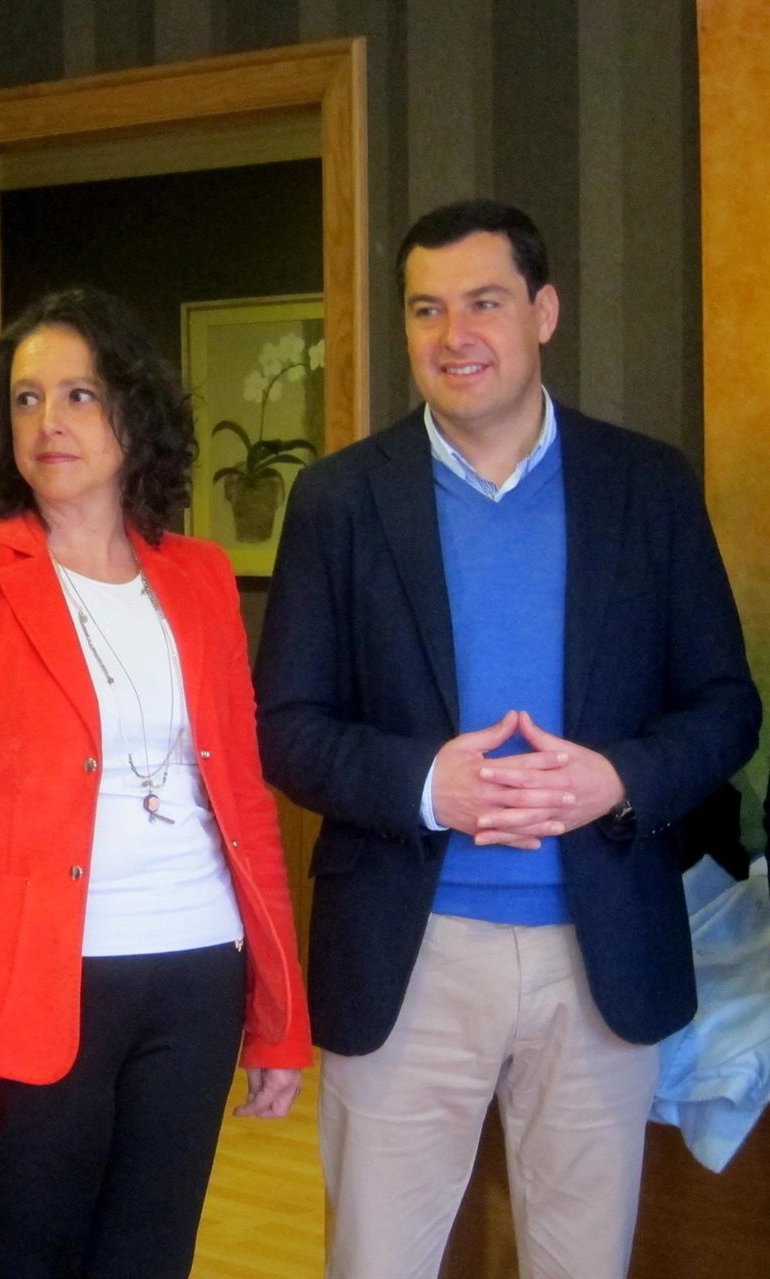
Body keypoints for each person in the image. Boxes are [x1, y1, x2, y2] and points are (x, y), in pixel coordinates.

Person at [254, 199, 761, 1279]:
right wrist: (425, 783)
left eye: (484, 303)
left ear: (544, 312)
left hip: (602, 948)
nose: (454, 336)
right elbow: (286, 727)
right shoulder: (340, 499)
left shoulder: (647, 485)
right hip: (409, 952)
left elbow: (726, 705)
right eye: (426, 310)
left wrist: (617, 777)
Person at [0, 285, 311, 1279]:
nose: (49, 421)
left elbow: (244, 808)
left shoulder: (201, 576)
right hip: (30, 988)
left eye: (79, 394)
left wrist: (281, 1019)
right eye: (26, 398)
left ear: (133, 410)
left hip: (196, 977)